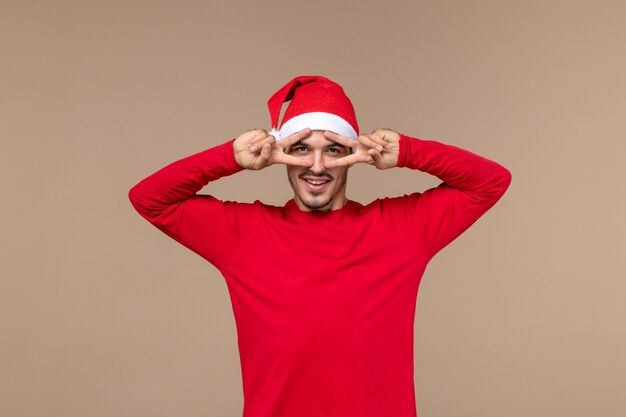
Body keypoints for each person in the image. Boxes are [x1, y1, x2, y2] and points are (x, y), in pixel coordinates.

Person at [128, 75, 512, 417]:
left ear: (352, 156)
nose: (317, 166)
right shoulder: (243, 234)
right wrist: (230, 157)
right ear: (281, 155)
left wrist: (408, 151)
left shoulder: (401, 229)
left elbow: (491, 181)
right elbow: (149, 198)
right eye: (300, 149)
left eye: (332, 150)